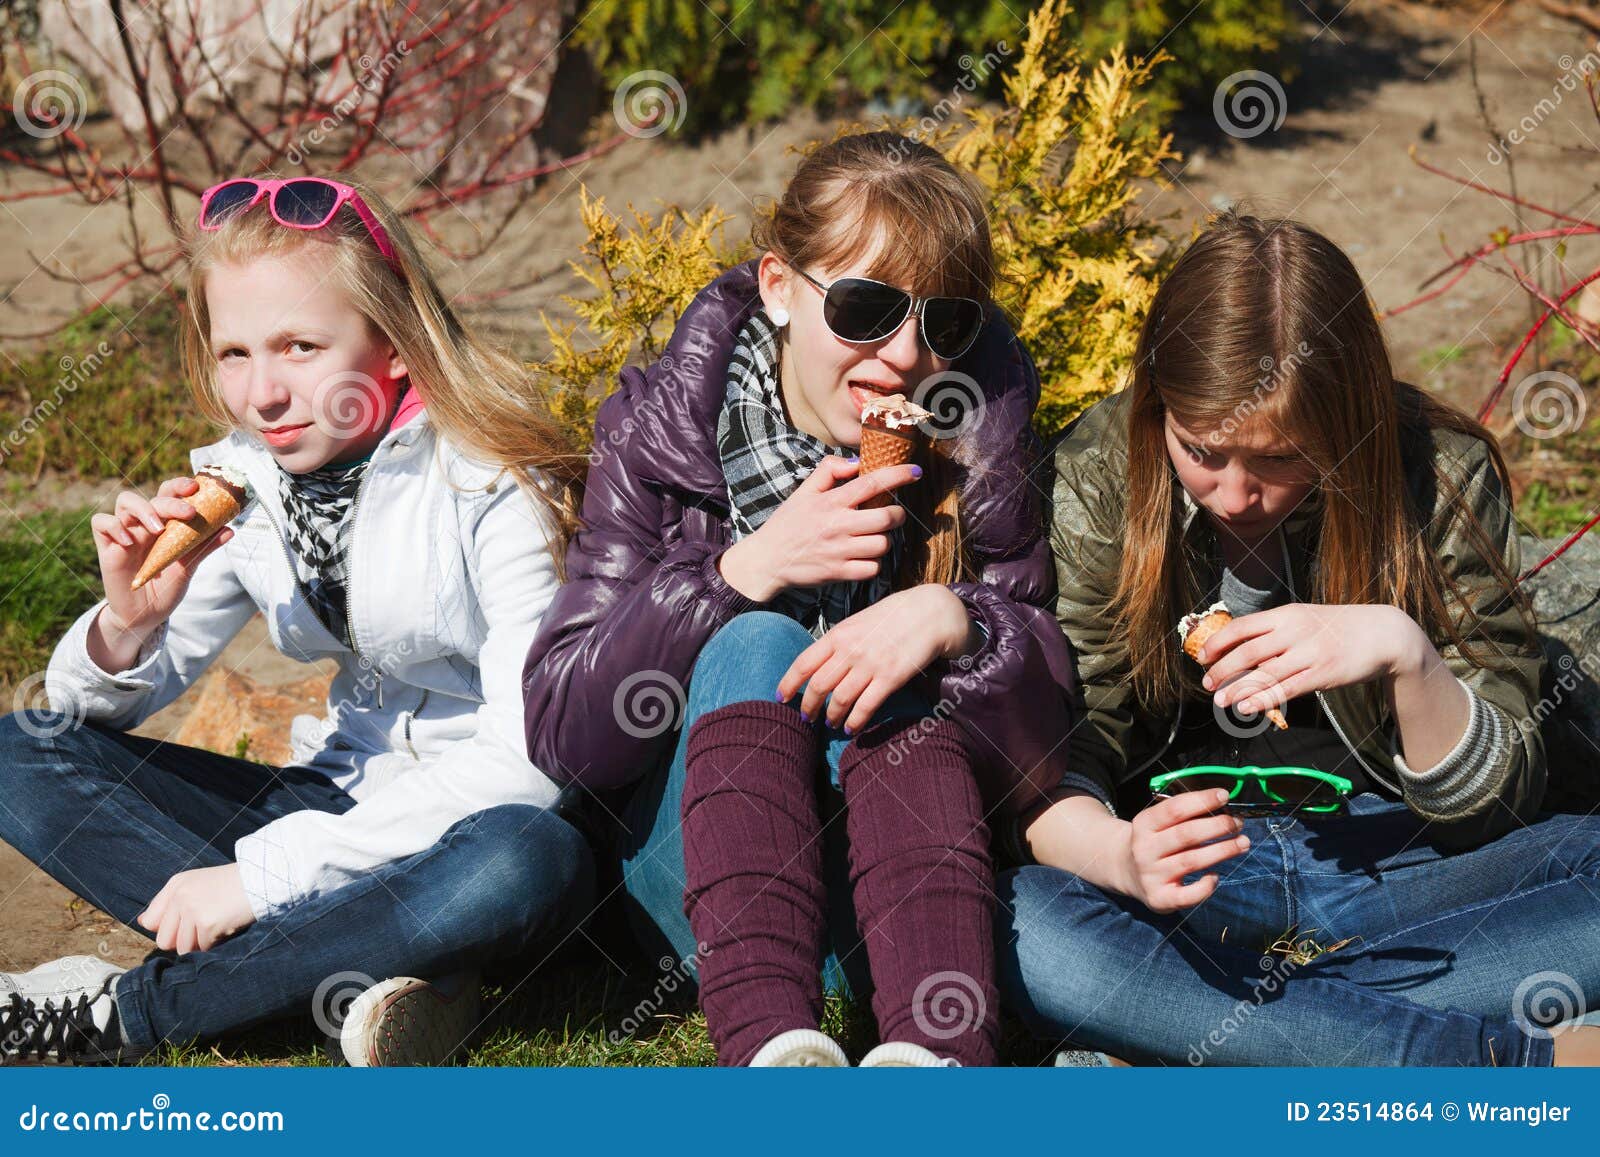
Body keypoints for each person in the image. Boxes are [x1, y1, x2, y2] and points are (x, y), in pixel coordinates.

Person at [0, 177, 594, 1066]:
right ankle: (388, 965)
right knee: (20, 750)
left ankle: (129, 1010)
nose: (261, 394)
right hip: (339, 799)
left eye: (300, 346)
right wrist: (127, 623)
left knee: (522, 858)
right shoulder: (244, 480)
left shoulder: (491, 482)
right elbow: (90, 718)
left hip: (474, 823)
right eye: (234, 352)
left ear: (394, 345)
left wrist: (261, 878)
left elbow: (527, 764)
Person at [522, 133, 1080, 1066]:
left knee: (896, 660)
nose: (905, 357)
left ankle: (934, 1060)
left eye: (943, 323)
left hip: (912, 896)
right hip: (708, 879)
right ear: (780, 287)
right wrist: (736, 573)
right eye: (865, 308)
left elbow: (1049, 744)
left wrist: (957, 623)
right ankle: (773, 1056)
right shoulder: (664, 432)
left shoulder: (976, 423)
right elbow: (566, 738)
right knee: (755, 643)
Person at [1002, 212, 1600, 1066]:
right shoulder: (1100, 473)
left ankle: (1243, 1024)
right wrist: (1123, 855)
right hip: (1196, 869)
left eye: (1281, 459)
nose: (1235, 494)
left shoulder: (1439, 472)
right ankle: (1516, 1066)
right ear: (1158, 404)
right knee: (1025, 920)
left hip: (1400, 864)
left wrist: (1405, 653)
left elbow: (1498, 806)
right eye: (1202, 451)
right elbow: (1065, 754)